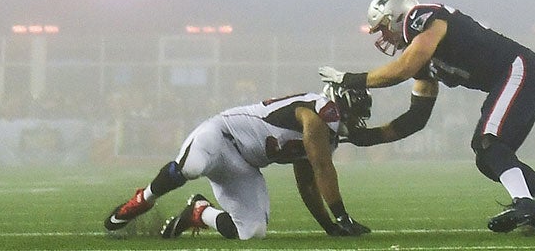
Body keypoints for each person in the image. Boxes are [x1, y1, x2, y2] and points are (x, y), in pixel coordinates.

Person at [321, 0, 535, 234]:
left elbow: (402, 69)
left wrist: (349, 79)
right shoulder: (423, 58)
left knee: (489, 144)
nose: (385, 38)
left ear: (398, 16)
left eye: (384, 29)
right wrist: (367, 137)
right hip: (518, 77)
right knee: (489, 158)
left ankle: (525, 204)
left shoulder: (423, 17)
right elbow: (416, 119)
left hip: (521, 68)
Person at [104, 81, 370, 239]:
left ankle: (199, 212)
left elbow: (308, 184)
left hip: (244, 167)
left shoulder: (323, 135)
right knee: (192, 167)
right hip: (221, 136)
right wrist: (342, 219)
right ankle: (143, 199)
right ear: (337, 103)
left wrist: (330, 228)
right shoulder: (311, 116)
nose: (355, 121)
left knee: (252, 232)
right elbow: (323, 169)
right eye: (353, 112)